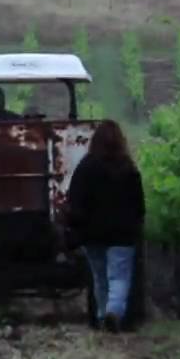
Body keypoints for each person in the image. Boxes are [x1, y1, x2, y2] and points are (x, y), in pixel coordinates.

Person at [64, 120, 145, 331]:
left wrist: (75, 226)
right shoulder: (128, 167)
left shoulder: (86, 166)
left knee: (100, 278)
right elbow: (139, 204)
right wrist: (137, 226)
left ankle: (102, 316)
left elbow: (74, 201)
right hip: (122, 234)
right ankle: (114, 312)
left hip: (92, 234)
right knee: (119, 276)